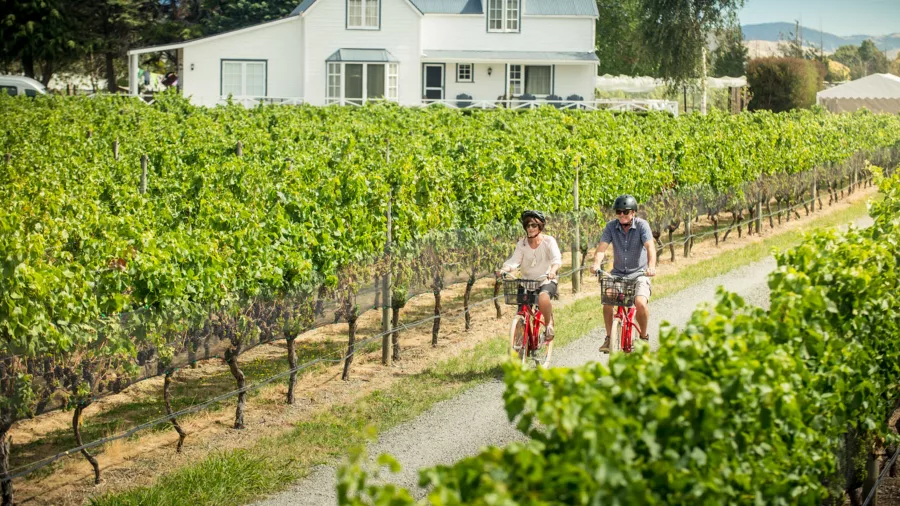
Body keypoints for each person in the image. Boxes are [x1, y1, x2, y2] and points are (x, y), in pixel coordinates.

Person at [590, 195, 657, 353]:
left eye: (625, 212)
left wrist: (651, 267)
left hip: (639, 274)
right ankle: (608, 338)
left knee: (640, 303)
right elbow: (601, 248)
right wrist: (596, 263)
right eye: (618, 212)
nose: (621, 215)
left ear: (633, 212)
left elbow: (650, 248)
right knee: (607, 300)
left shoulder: (642, 226)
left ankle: (643, 336)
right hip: (618, 275)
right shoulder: (611, 227)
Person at [496, 210, 562, 340]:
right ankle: (520, 346)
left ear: (540, 226)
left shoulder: (549, 241)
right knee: (522, 312)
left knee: (543, 298)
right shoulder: (522, 243)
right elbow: (515, 261)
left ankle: (548, 325)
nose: (530, 228)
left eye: (534, 225)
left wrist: (553, 271)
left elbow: (556, 259)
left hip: (545, 280)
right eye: (528, 225)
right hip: (526, 282)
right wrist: (505, 269)